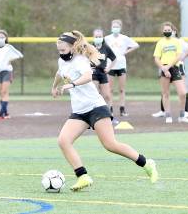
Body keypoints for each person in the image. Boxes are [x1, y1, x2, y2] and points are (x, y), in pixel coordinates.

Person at [51, 30, 158, 192]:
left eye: (63, 50)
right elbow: (59, 73)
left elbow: (87, 76)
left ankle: (146, 162)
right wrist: (54, 87)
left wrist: (71, 84)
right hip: (79, 111)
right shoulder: (62, 61)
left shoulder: (80, 60)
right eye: (59, 50)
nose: (61, 53)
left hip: (96, 107)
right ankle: (83, 176)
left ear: (72, 48)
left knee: (110, 145)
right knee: (63, 141)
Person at [153, 22, 188, 123]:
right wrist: (164, 68)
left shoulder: (176, 42)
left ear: (172, 31)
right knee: (165, 93)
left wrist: (168, 67)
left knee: (183, 93)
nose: (167, 32)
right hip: (164, 69)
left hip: (174, 68)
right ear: (163, 31)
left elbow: (179, 56)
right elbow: (156, 58)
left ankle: (182, 116)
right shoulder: (160, 43)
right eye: (165, 30)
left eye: (169, 30)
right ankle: (168, 115)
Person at [105, 19, 139, 116]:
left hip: (121, 65)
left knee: (121, 89)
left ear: (120, 28)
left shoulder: (124, 38)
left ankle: (122, 109)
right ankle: (110, 109)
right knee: (110, 89)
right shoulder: (107, 38)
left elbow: (136, 45)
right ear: (111, 27)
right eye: (114, 26)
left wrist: (126, 52)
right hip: (111, 65)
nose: (115, 28)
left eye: (117, 27)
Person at [92, 28, 118, 124]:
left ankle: (110, 115)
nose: (98, 38)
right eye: (96, 36)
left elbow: (114, 59)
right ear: (93, 37)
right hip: (93, 72)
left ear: (103, 37)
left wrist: (109, 68)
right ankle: (94, 115)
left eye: (100, 36)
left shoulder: (106, 47)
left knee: (107, 95)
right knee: (95, 94)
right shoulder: (90, 47)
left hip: (103, 72)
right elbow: (84, 59)